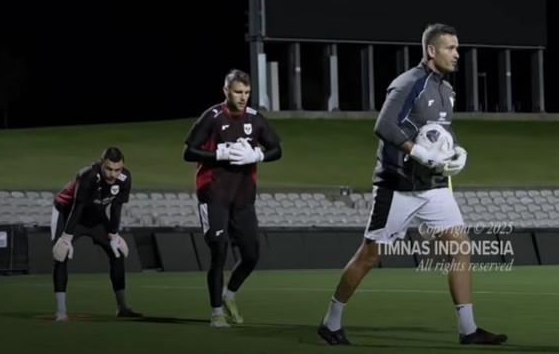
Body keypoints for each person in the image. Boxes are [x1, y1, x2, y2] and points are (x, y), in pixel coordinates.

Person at [316, 23, 508, 346]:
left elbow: (442, 133)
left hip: (433, 187)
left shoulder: (446, 90)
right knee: (369, 256)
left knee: (460, 248)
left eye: (457, 48)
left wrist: (456, 152)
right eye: (451, 48)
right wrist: (416, 151)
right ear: (431, 51)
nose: (457, 54)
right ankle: (330, 322)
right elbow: (384, 125)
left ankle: (468, 329)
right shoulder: (408, 84)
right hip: (398, 186)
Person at [183, 68, 283, 327]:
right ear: (226, 91)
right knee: (219, 250)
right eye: (238, 92)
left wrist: (258, 156)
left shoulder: (255, 118)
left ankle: (229, 295)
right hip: (213, 193)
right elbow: (189, 152)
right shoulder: (213, 117)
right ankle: (216, 312)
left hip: (243, 197)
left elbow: (277, 149)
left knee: (251, 255)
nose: (243, 97)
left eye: (247, 92)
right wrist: (219, 154)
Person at [51, 147, 143, 321]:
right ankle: (60, 311)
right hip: (68, 212)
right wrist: (66, 238)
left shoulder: (125, 178)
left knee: (116, 254)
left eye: (117, 170)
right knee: (60, 256)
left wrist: (114, 235)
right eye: (109, 169)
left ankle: (122, 307)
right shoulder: (88, 176)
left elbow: (116, 207)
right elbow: (77, 208)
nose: (112, 174)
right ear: (102, 164)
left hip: (95, 215)